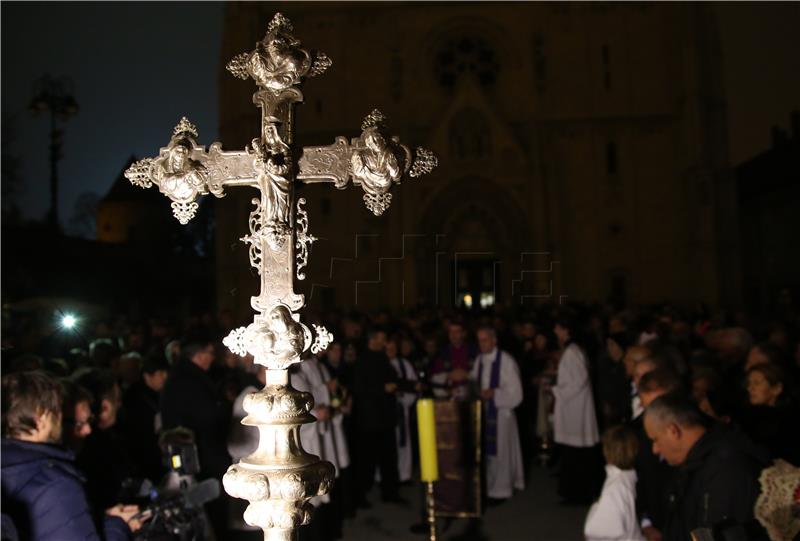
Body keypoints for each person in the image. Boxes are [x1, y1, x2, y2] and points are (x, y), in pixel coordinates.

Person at [1, 371, 140, 540]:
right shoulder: (55, 484)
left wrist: (102, 519)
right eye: (57, 412)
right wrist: (120, 526)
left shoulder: (11, 467)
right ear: (42, 417)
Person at [643, 393, 766, 541]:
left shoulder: (726, 467)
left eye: (655, 439)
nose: (655, 449)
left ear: (673, 431)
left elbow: (723, 533)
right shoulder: (694, 465)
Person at [161, 337, 231, 537]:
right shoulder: (188, 381)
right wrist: (225, 409)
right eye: (210, 354)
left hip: (198, 454)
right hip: (199, 459)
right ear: (199, 355)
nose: (212, 358)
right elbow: (207, 417)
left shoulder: (186, 376)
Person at [550, 312, 601, 504]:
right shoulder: (574, 350)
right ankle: (576, 492)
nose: (555, 330)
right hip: (575, 410)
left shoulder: (572, 352)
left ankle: (578, 494)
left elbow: (579, 381)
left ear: (565, 330)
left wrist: (556, 390)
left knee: (577, 456)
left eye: (557, 327)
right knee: (575, 455)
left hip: (575, 413)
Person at [470, 327, 525, 501]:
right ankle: (489, 487)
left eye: (485, 340)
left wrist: (495, 393)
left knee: (501, 453)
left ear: (494, 341)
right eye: (479, 340)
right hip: (484, 413)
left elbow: (517, 393)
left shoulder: (507, 361)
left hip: (501, 415)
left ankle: (502, 490)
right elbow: (473, 381)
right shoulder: (479, 360)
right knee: (486, 454)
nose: (482, 344)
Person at [352, 329, 401, 506]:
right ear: (372, 340)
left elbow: (392, 378)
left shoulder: (383, 358)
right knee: (367, 460)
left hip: (385, 417)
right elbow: (360, 388)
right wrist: (382, 389)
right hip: (370, 419)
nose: (384, 342)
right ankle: (361, 495)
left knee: (389, 457)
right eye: (381, 338)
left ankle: (390, 492)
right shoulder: (363, 360)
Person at [632, 369, 682, 541]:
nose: (651, 416)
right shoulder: (641, 437)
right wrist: (646, 523)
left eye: (657, 407)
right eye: (646, 408)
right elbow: (642, 484)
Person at [584, 425, 646, 541]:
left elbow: (594, 531)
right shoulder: (630, 478)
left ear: (606, 451)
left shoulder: (615, 487)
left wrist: (596, 506)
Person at [122, 354, 170, 483]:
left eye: (166, 373)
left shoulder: (159, 395)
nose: (165, 377)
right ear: (147, 376)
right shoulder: (136, 399)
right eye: (160, 374)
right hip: (145, 456)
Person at [741, 363, 800, 465]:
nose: (750, 388)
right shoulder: (749, 416)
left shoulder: (791, 421)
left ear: (776, 389)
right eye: (749, 383)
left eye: (757, 383)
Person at [386, 338, 419, 483]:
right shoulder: (381, 364)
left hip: (402, 410)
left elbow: (414, 385)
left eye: (393, 348)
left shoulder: (404, 364)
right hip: (387, 411)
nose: (391, 351)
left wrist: (403, 397)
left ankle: (404, 475)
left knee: (404, 443)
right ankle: (388, 476)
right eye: (388, 348)